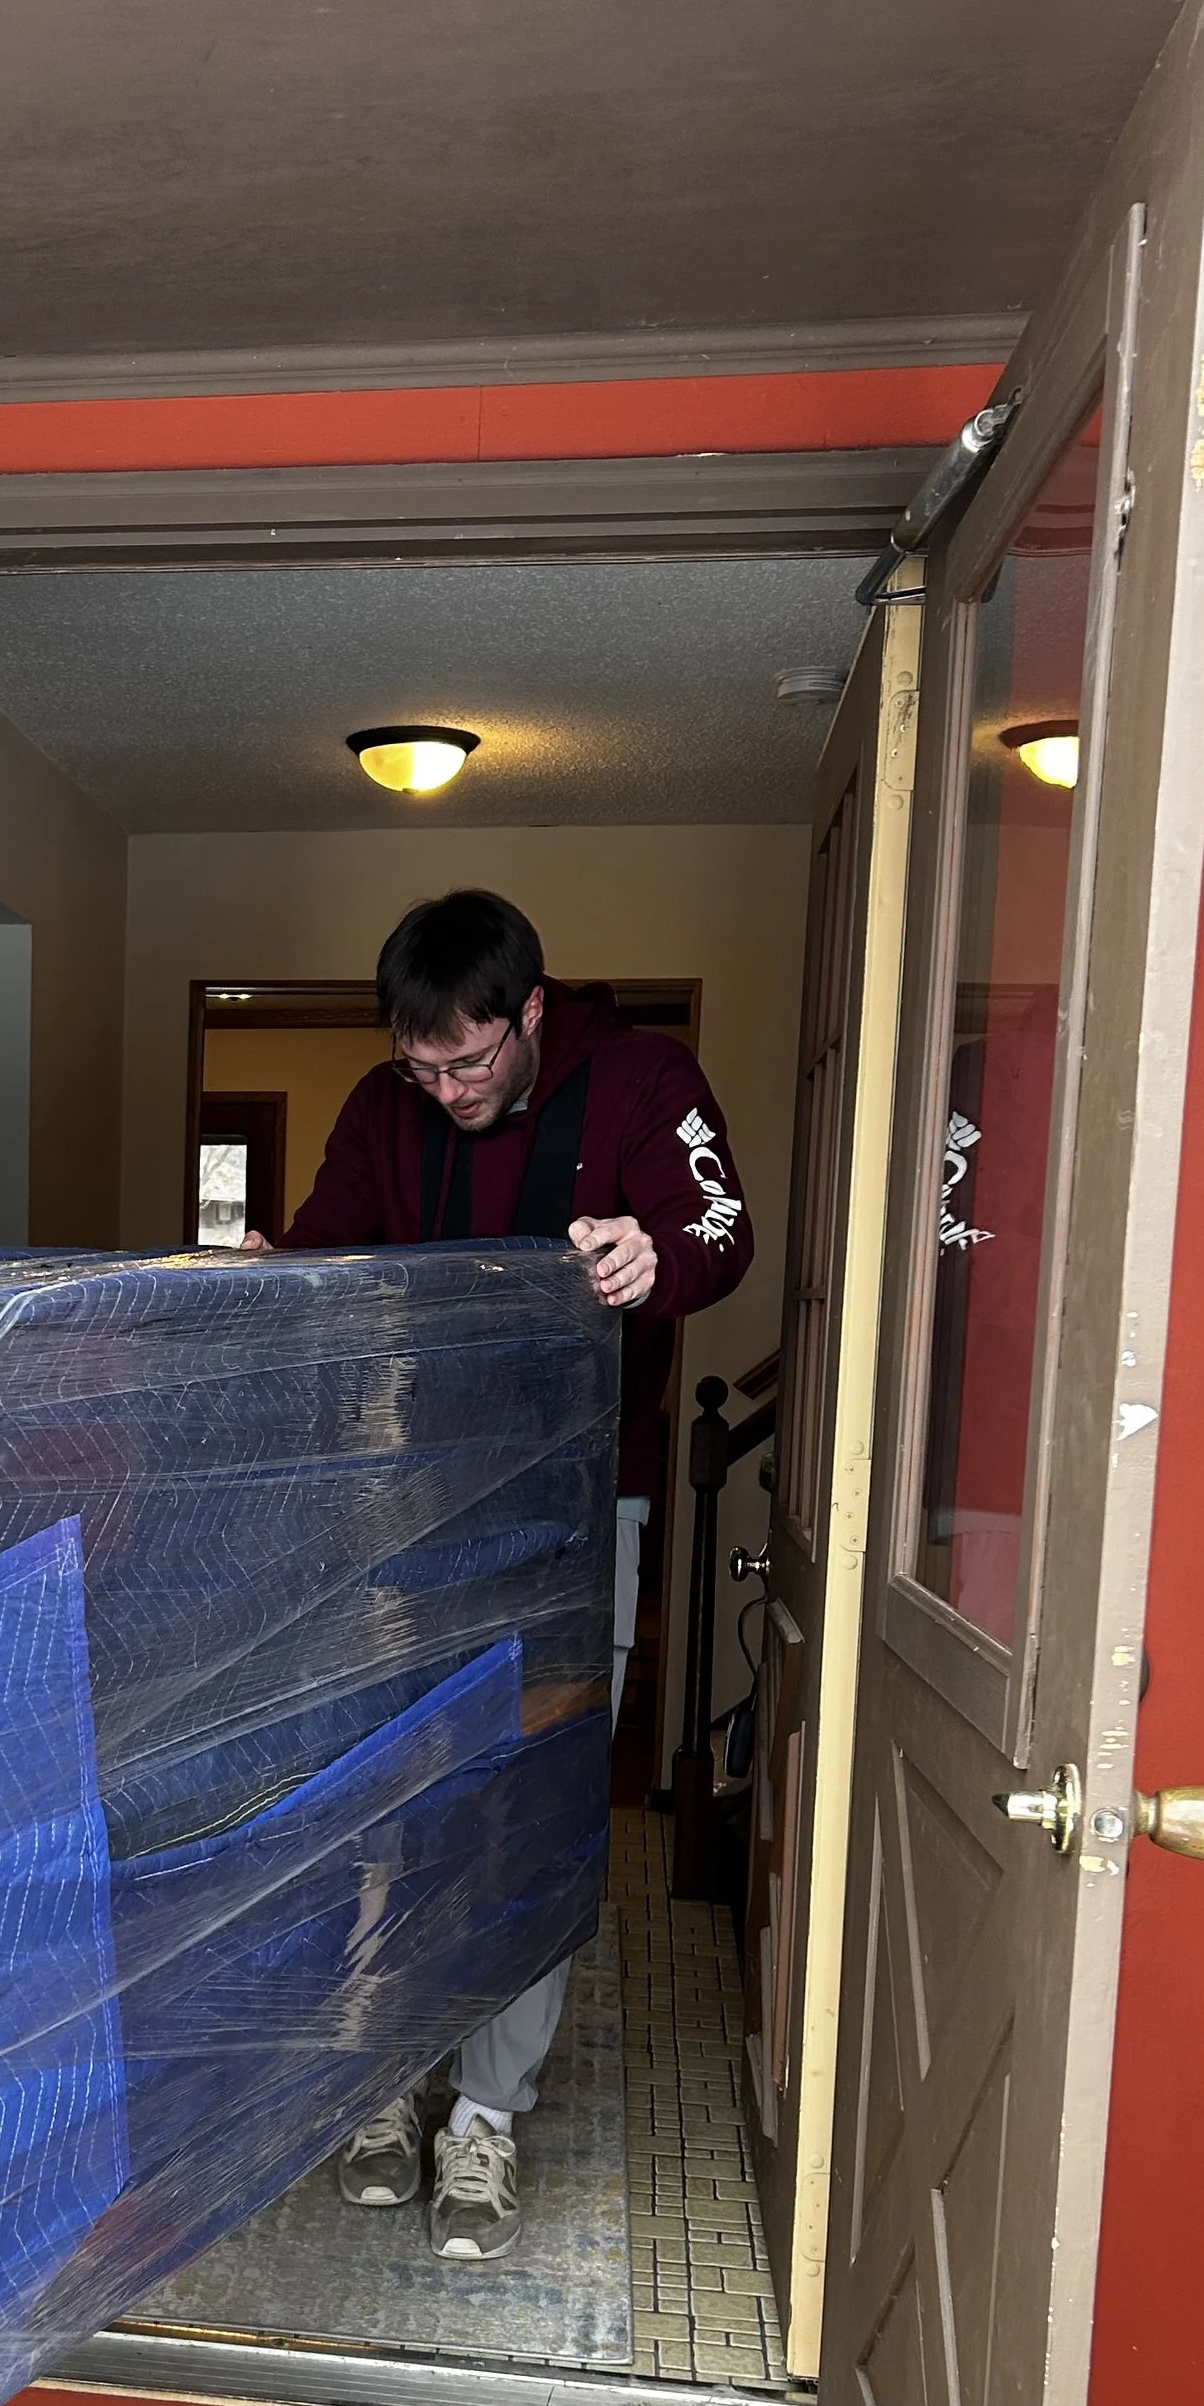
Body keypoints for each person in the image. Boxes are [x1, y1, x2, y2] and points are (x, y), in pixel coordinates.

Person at [262, 889, 752, 2260]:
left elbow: (721, 1234)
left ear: (531, 1015)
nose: (447, 1090)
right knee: (389, 1796)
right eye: (423, 1067)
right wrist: (261, 1285)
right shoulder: (383, 1108)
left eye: (469, 1063)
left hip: (580, 1508)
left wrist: (656, 1255)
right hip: (401, 1512)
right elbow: (320, 1263)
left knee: (525, 1808)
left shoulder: (645, 1079)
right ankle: (377, 2086)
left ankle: (485, 2115)